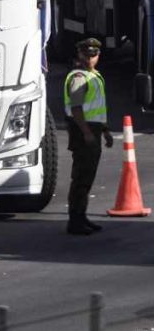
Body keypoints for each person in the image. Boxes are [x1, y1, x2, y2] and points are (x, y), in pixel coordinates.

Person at [64, 38, 113, 235]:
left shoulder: (94, 75)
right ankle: (75, 220)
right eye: (86, 55)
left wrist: (105, 130)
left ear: (98, 56)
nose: (90, 59)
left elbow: (98, 107)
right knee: (81, 178)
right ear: (80, 55)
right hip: (83, 131)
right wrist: (86, 133)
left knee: (87, 177)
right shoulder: (79, 77)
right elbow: (76, 109)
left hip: (93, 129)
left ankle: (81, 216)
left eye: (93, 55)